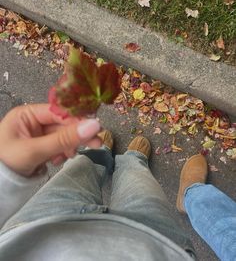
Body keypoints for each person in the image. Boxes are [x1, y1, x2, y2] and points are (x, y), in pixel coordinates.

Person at [0, 104, 235, 261]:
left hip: (37, 227)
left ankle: (98, 155)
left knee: (79, 168)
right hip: (154, 245)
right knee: (137, 179)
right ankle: (135, 162)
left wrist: (7, 173)